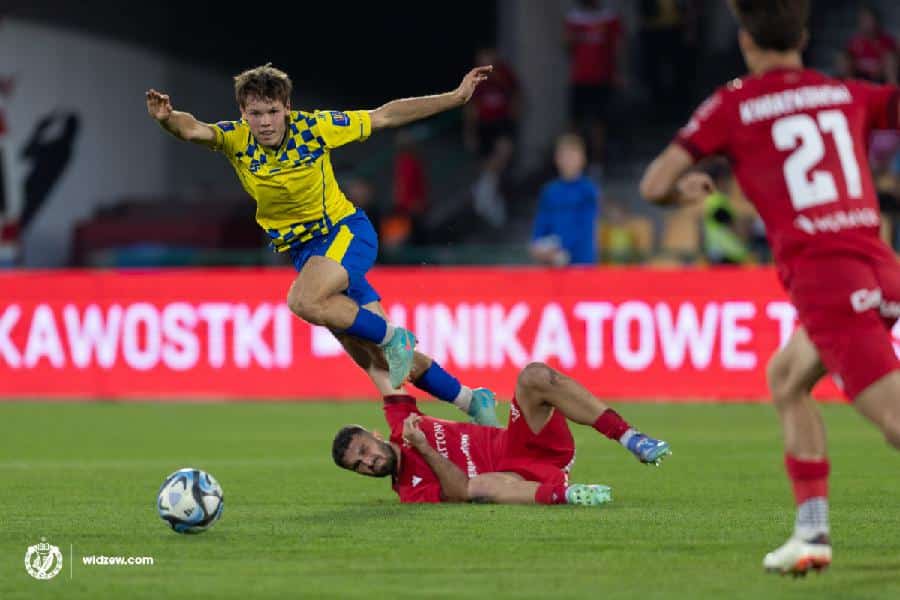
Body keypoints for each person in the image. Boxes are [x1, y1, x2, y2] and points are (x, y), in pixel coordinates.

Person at [640, 0, 900, 575]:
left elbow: (654, 183)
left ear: (745, 41)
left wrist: (683, 191)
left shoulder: (733, 104)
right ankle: (811, 534)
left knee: (895, 422)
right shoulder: (845, 92)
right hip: (880, 266)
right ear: (804, 38)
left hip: (828, 281)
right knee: (786, 377)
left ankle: (812, 534)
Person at [146, 64, 499, 425]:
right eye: (256, 113)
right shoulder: (235, 139)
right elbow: (192, 128)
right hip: (308, 255)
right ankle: (471, 400)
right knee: (370, 352)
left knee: (304, 301)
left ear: (287, 107)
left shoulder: (314, 128)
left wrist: (455, 98)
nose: (265, 122)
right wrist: (168, 119)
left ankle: (396, 340)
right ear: (243, 113)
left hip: (344, 234)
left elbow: (385, 115)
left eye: (272, 111)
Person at [332, 361, 671, 505]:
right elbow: (459, 492)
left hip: (524, 441)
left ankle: (631, 438)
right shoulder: (409, 491)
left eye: (364, 450)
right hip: (517, 479)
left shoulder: (400, 424)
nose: (368, 462)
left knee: (533, 376)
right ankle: (569, 496)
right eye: (358, 466)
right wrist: (424, 448)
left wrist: (342, 320)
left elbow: (377, 366)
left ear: (376, 435)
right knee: (477, 487)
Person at [530, 133, 599, 266]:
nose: (568, 161)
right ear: (557, 159)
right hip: (552, 264)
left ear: (582, 159)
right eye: (564, 156)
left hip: (581, 264)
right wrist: (538, 246)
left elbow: (584, 229)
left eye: (572, 156)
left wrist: (562, 251)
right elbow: (541, 225)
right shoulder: (549, 191)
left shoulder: (588, 190)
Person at [845, 4, 897, 85]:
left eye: (868, 19)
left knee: (890, 58)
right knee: (844, 59)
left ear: (876, 21)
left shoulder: (887, 41)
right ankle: (848, 87)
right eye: (862, 20)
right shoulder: (854, 42)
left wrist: (880, 67)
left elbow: (893, 62)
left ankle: (892, 89)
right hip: (860, 76)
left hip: (881, 77)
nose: (865, 23)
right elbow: (849, 62)